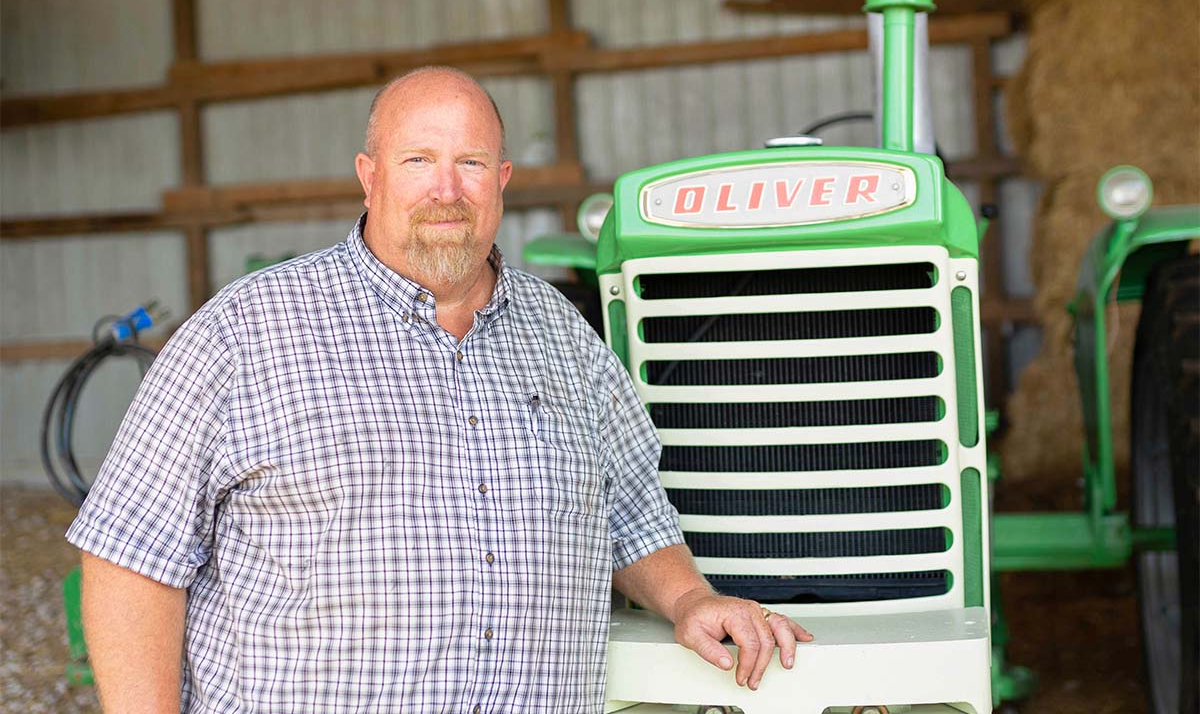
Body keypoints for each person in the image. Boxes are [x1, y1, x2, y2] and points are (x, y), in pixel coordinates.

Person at [68, 66, 812, 712]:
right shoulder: (246, 331)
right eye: (419, 159)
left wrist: (689, 599)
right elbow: (129, 556)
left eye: (472, 163)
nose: (447, 190)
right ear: (370, 174)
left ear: (503, 181)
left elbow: (632, 510)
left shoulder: (561, 336)